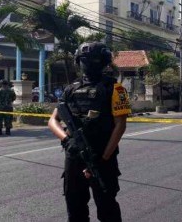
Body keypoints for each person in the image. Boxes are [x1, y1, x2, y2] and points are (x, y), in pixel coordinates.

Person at [48, 42, 131, 222]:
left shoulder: (115, 88)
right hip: (75, 156)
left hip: (101, 157)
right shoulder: (71, 89)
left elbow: (120, 125)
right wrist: (66, 140)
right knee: (75, 207)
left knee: (106, 207)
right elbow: (53, 119)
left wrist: (103, 158)